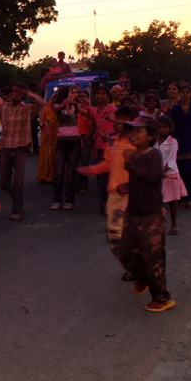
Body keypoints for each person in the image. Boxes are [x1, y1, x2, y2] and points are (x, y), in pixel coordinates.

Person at [119, 116, 175, 312]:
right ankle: (142, 278)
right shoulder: (133, 154)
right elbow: (137, 179)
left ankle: (161, 297)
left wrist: (131, 160)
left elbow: (151, 176)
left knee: (153, 257)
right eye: (131, 131)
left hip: (151, 214)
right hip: (133, 211)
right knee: (125, 250)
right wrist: (126, 186)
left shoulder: (154, 155)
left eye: (138, 131)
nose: (133, 134)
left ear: (150, 136)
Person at [78, 105, 139, 281]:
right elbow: (106, 164)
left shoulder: (138, 142)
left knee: (126, 234)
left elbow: (145, 170)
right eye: (118, 117)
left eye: (125, 118)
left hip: (132, 196)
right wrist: (90, 170)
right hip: (114, 194)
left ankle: (138, 268)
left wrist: (130, 184)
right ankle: (132, 267)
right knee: (114, 237)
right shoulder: (112, 139)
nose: (120, 121)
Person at [0, 82, 44, 220]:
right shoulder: (3, 107)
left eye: (17, 91)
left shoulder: (28, 109)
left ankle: (17, 208)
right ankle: (16, 199)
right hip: (5, 148)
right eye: (12, 91)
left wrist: (28, 93)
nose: (14, 94)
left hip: (20, 148)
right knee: (4, 183)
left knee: (18, 181)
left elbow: (42, 103)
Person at [50, 86, 88, 211]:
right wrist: (63, 104)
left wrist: (88, 107)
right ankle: (57, 200)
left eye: (76, 93)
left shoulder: (76, 107)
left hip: (74, 142)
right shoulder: (58, 106)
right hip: (61, 143)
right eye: (72, 93)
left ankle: (69, 200)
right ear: (65, 94)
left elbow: (88, 115)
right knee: (58, 172)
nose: (75, 95)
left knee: (71, 172)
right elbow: (56, 107)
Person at [169, 84, 191, 207]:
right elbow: (172, 126)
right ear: (179, 93)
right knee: (180, 171)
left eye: (187, 92)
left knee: (189, 170)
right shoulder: (175, 108)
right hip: (178, 142)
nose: (185, 94)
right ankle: (182, 198)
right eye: (182, 92)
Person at [156, 116, 186, 235]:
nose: (162, 130)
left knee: (172, 200)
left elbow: (172, 157)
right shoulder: (153, 141)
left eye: (165, 127)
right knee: (157, 200)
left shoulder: (173, 141)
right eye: (159, 127)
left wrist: (165, 170)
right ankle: (158, 224)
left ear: (170, 129)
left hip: (170, 173)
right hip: (157, 174)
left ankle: (174, 224)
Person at [89, 85, 117, 213]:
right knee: (101, 179)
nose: (100, 96)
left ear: (108, 97)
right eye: (98, 93)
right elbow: (92, 126)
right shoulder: (93, 111)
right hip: (98, 148)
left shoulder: (112, 109)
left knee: (111, 177)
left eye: (103, 94)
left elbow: (119, 126)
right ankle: (103, 206)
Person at [36, 94, 58, 184]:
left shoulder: (59, 110)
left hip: (57, 138)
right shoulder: (45, 110)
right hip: (47, 138)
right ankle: (44, 175)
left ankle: (55, 175)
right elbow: (40, 122)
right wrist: (45, 124)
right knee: (45, 156)